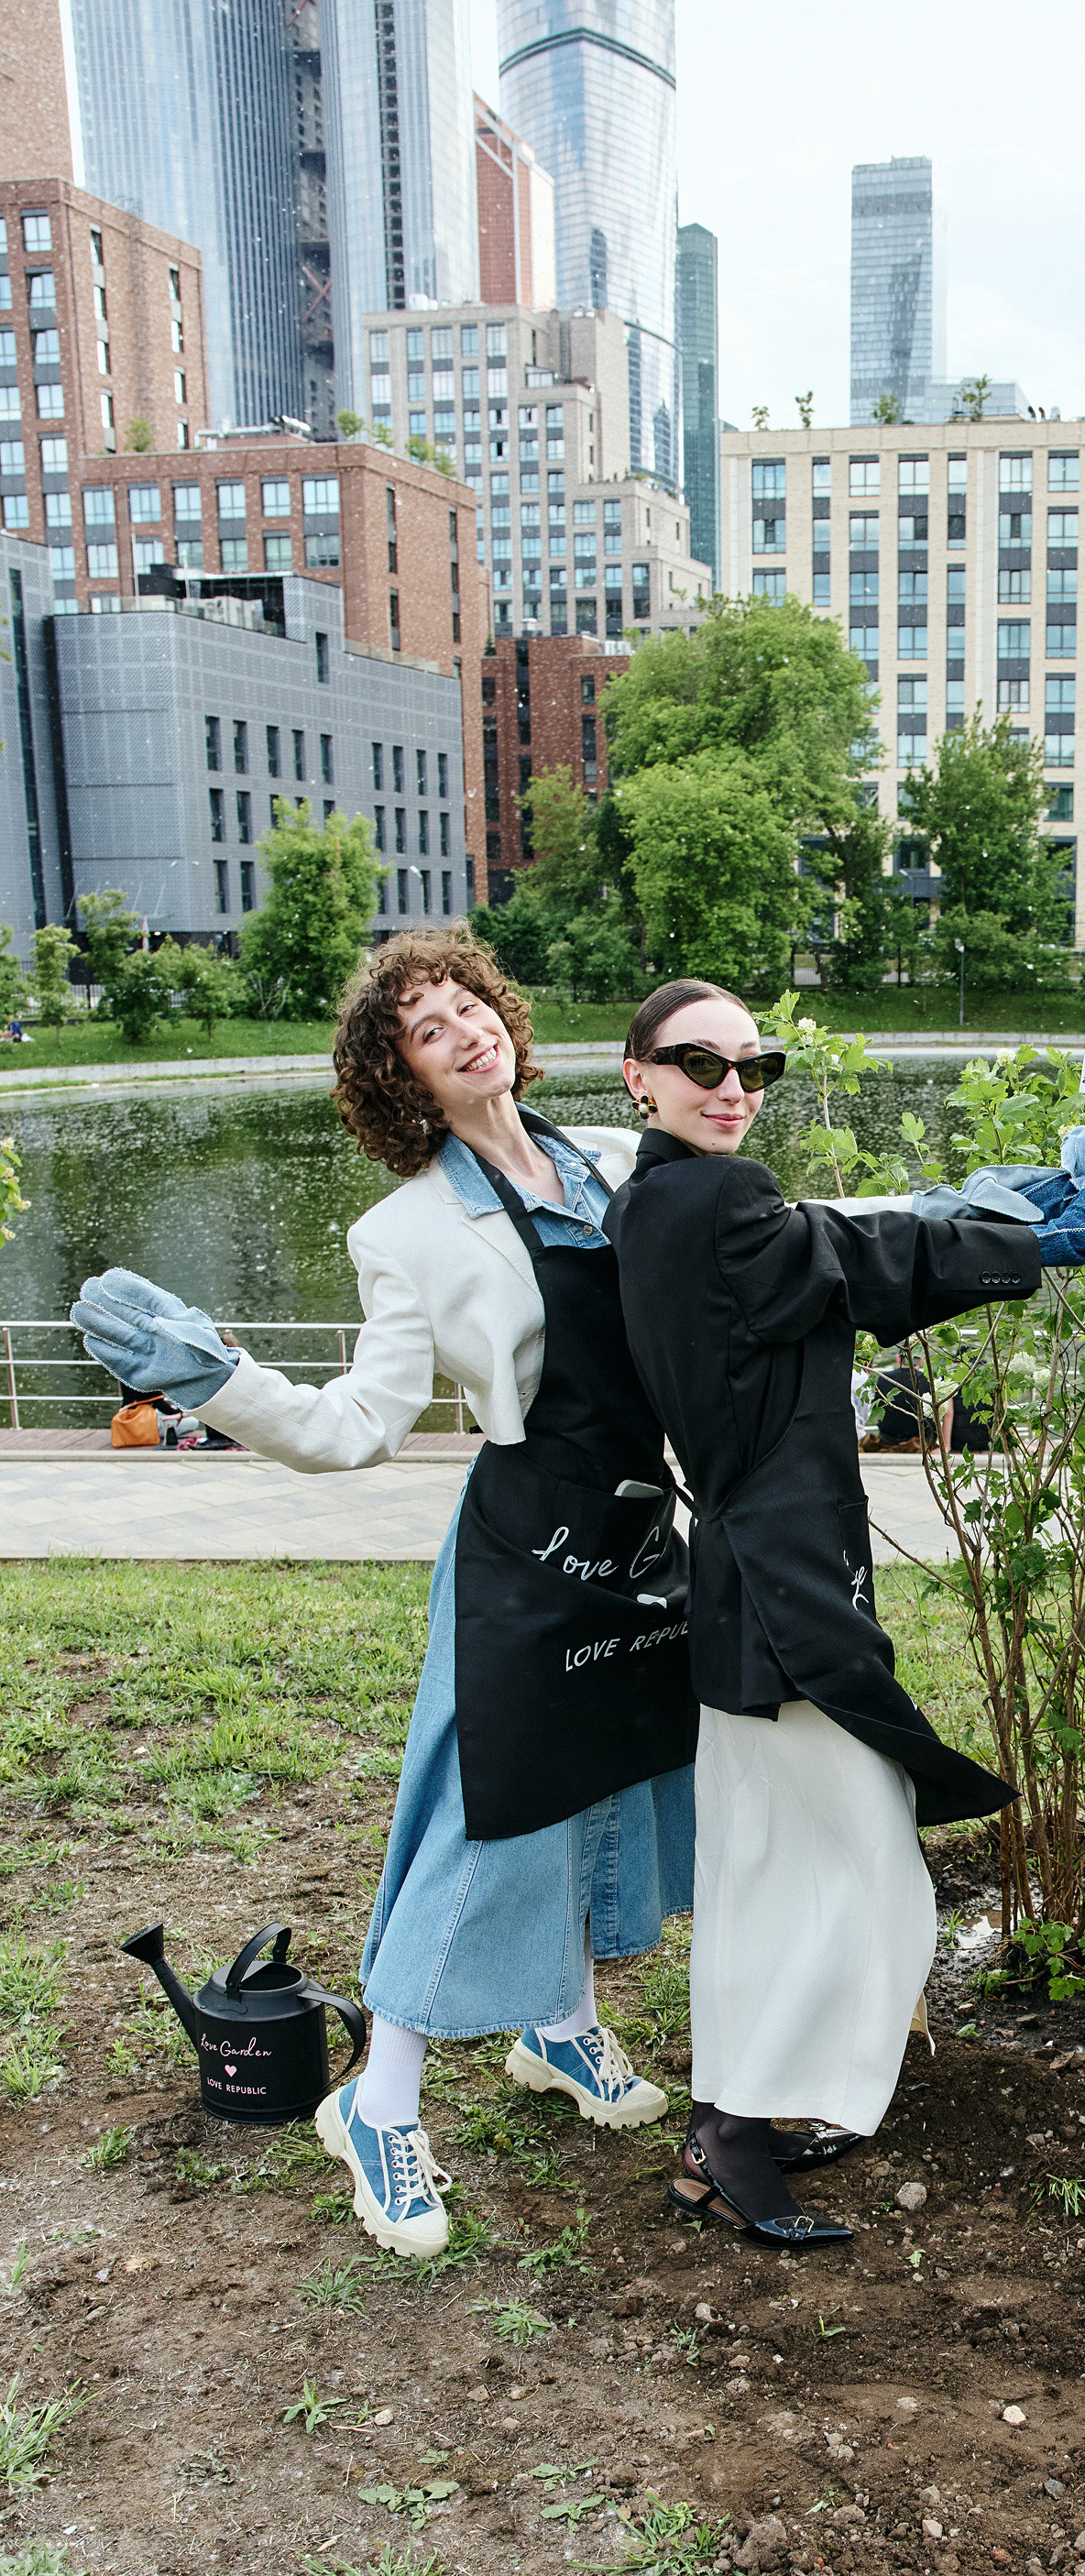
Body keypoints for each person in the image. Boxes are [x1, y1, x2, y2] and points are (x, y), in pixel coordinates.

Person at [71, 931, 697, 2256]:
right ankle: (379, 2104)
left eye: (472, 1005)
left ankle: (562, 2028)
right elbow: (356, 1424)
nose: (465, 1030)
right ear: (400, 1077)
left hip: (641, 1530)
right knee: (494, 1812)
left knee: (605, 1781)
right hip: (527, 1551)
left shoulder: (622, 1158)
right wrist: (212, 1379)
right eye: (428, 1028)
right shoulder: (403, 1228)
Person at [606, 978, 1044, 2248]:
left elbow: (835, 1251)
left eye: (757, 1064)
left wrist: (946, 1220)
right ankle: (742, 2128)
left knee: (766, 1866)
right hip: (785, 1589)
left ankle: (738, 2120)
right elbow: (858, 1255)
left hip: (745, 1583)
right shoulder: (718, 1199)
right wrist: (1030, 1231)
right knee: (866, 1874)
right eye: (700, 1062)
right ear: (638, 1074)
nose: (733, 1085)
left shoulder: (649, 1201)